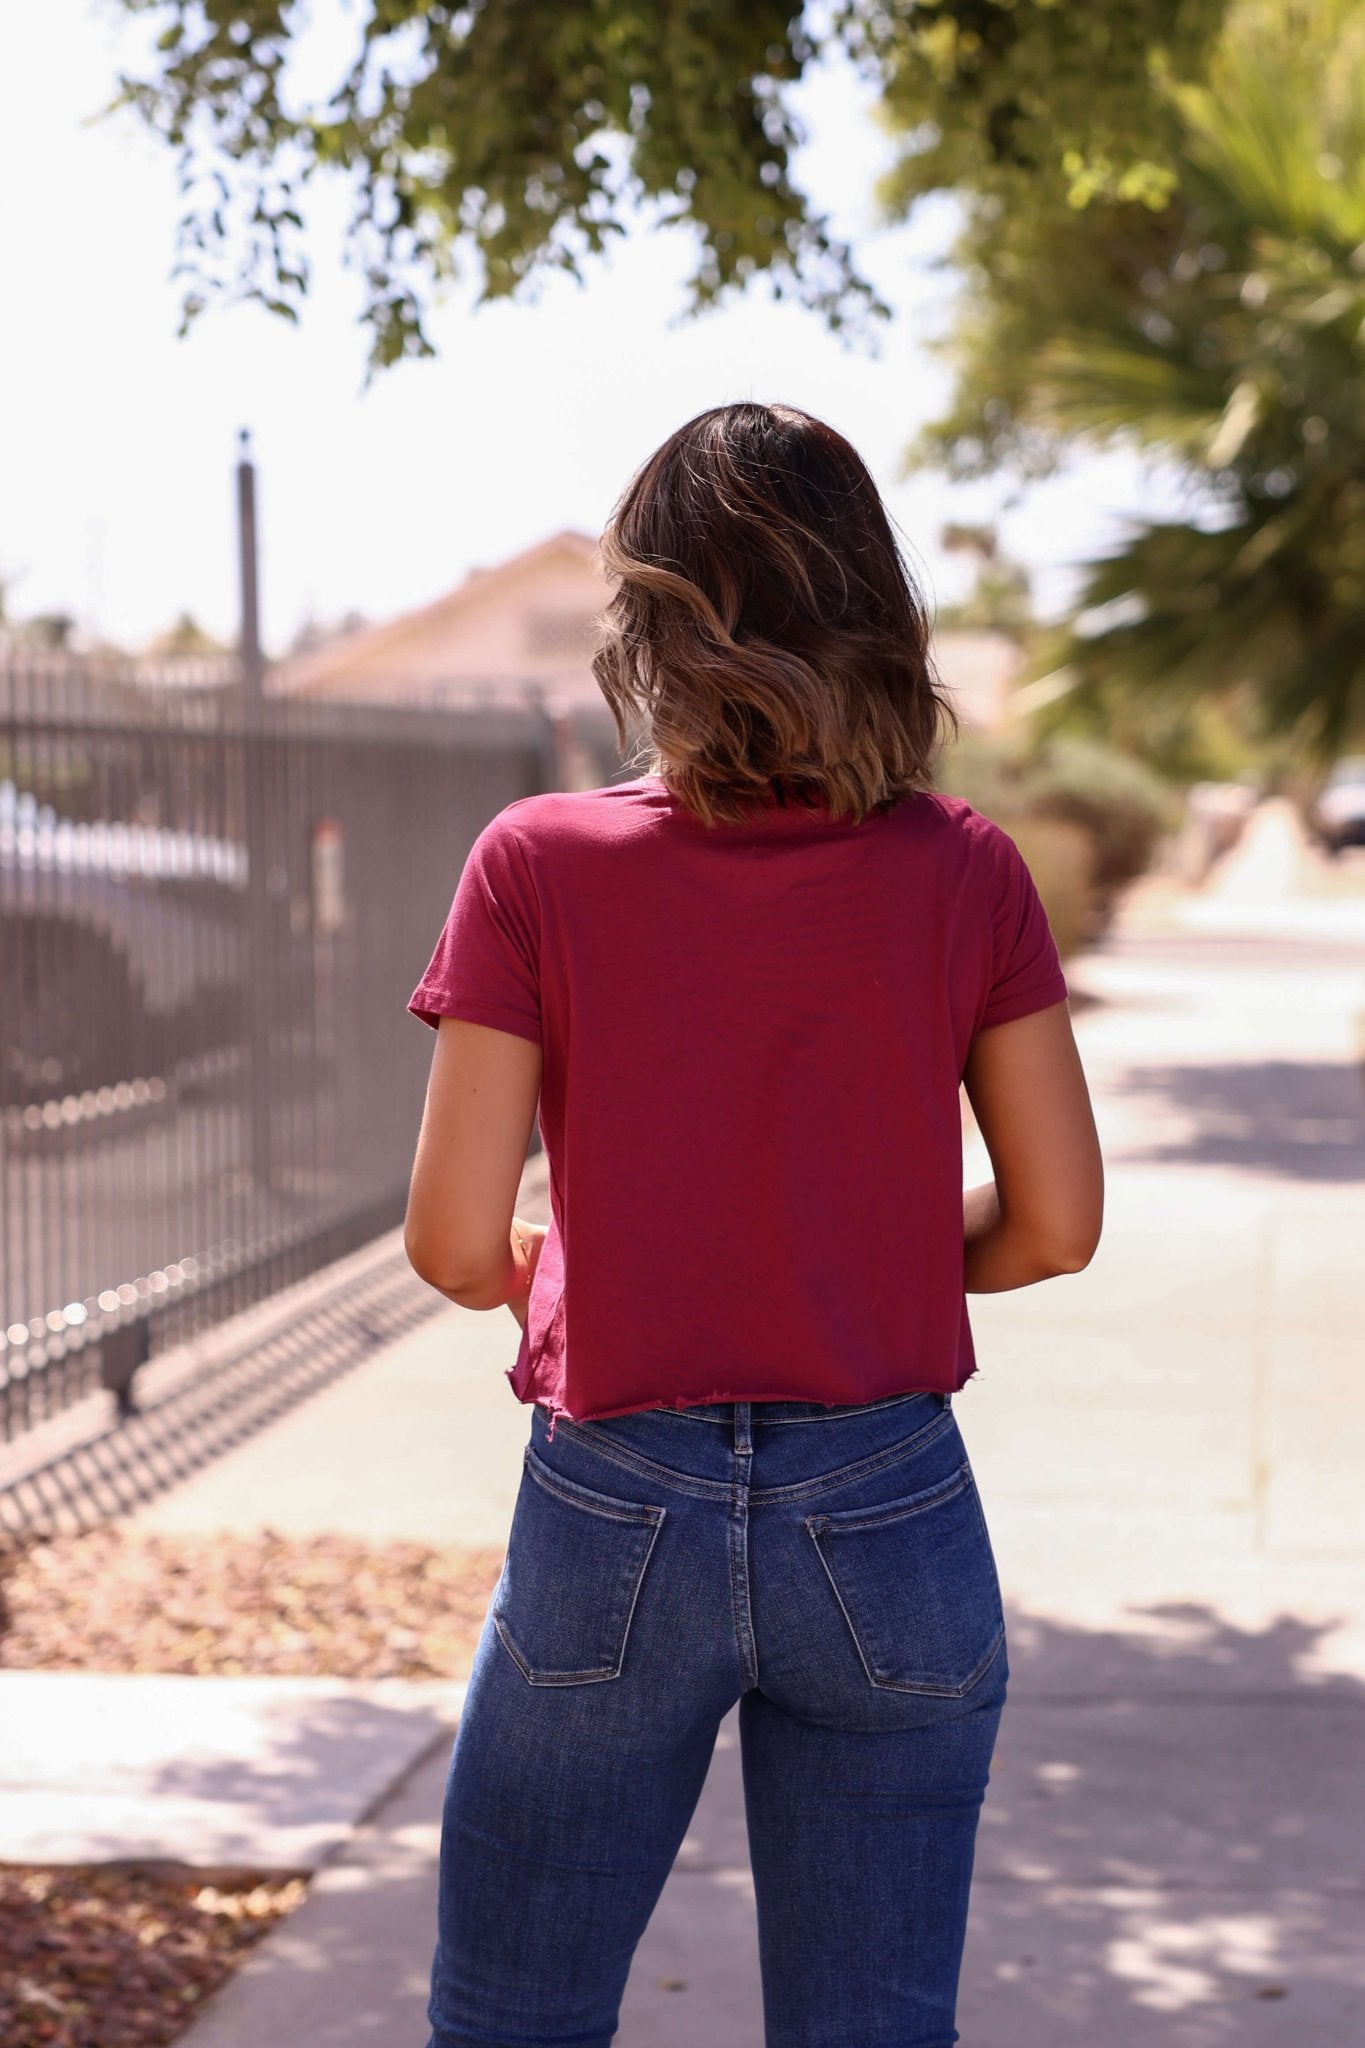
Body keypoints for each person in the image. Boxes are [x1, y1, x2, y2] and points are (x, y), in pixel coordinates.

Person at [403, 401, 1104, 2048]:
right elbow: (1058, 1221)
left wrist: (572, 1271)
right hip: (891, 1514)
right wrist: (842, 1257)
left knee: (512, 2016)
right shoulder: (963, 871)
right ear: (874, 606)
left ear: (645, 616)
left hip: (611, 1516)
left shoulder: (533, 866)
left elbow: (450, 1245)